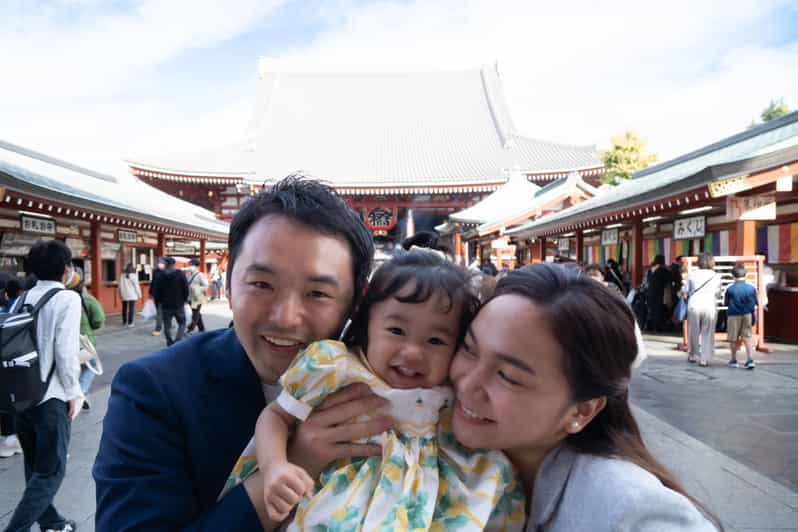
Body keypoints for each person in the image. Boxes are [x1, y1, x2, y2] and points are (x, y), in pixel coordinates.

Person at [94, 176, 389, 530]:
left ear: (356, 303)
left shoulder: (388, 385)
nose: (285, 317)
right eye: (262, 284)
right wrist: (293, 460)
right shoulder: (154, 390)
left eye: (318, 293)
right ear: (230, 285)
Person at [226, 250, 523, 530]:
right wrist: (275, 465)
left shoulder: (453, 395)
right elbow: (276, 416)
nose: (412, 353)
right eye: (396, 331)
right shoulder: (335, 370)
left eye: (435, 341)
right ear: (368, 322)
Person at [449, 264, 719, 531]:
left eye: (507, 376)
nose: (467, 382)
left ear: (581, 411)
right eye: (469, 349)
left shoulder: (630, 510)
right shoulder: (434, 448)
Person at [4, 240, 83, 532]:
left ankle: (53, 523)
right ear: (66, 268)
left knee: (36, 467)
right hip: (51, 396)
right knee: (51, 471)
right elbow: (65, 351)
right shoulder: (68, 299)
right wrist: (74, 391)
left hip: (22, 394)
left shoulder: (23, 297)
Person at [65, 269, 105, 410]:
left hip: (65, 343)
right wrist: (91, 326)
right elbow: (98, 319)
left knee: (73, 369)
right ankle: (80, 394)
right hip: (84, 341)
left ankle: (78, 394)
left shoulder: (61, 298)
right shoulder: (86, 298)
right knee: (90, 367)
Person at [682, 253, 722, 367]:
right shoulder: (716, 276)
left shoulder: (692, 275)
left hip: (694, 304)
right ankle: (704, 358)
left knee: (692, 331)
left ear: (698, 262)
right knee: (708, 332)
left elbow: (686, 291)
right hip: (709, 305)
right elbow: (718, 293)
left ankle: (692, 354)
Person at [725, 264, 758, 370]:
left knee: (733, 338)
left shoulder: (730, 289)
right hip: (747, 314)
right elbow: (755, 302)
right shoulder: (751, 288)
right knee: (747, 337)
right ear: (746, 274)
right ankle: (750, 359)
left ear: (733, 276)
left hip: (733, 315)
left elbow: (726, 302)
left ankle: (734, 359)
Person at [157, 257, 189, 346]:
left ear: (166, 264)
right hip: (179, 304)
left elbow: (158, 291)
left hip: (166, 305)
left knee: (167, 326)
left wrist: (159, 301)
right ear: (174, 264)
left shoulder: (161, 275)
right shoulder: (180, 274)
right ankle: (178, 340)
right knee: (182, 323)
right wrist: (185, 299)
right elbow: (186, 288)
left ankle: (169, 341)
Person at [645, 254, 671, 332]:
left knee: (651, 310)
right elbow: (668, 281)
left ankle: (649, 327)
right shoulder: (663, 270)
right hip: (659, 293)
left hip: (650, 292)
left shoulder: (650, 270)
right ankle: (658, 328)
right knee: (659, 310)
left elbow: (648, 281)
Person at [186, 258, 209, 334]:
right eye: (190, 265)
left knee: (195, 314)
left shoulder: (200, 275)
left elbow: (206, 286)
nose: (190, 266)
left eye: (191, 265)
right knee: (196, 313)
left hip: (197, 297)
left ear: (196, 266)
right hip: (190, 297)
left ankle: (190, 328)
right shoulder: (188, 274)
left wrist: (197, 288)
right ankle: (201, 328)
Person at [118, 262, 141, 328]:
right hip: (132, 294)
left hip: (124, 294)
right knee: (131, 309)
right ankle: (130, 323)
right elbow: (136, 286)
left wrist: (119, 293)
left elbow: (119, 286)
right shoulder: (134, 276)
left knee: (124, 308)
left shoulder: (122, 275)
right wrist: (139, 294)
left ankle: (124, 321)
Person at [148, 257, 166, 336]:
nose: (159, 264)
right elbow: (153, 283)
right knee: (160, 312)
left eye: (161, 262)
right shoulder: (155, 271)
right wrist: (151, 293)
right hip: (157, 295)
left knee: (161, 312)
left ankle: (158, 328)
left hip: (166, 296)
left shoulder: (168, 272)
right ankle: (164, 326)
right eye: (158, 262)